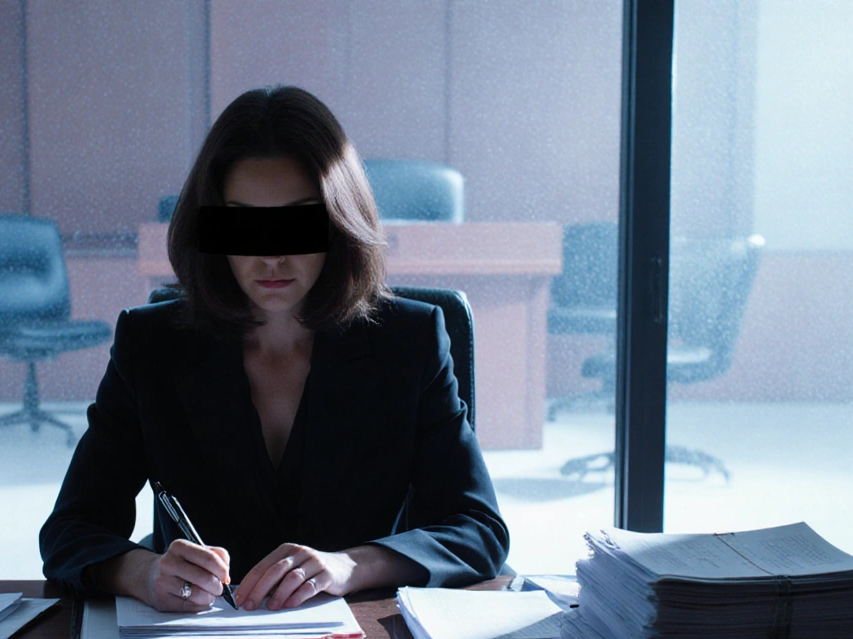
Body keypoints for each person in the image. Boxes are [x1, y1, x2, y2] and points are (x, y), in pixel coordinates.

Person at [39, 85, 507, 612]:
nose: (272, 255)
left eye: (298, 223)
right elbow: (69, 531)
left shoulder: (410, 341)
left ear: (339, 224)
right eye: (244, 227)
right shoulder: (152, 345)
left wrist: (352, 564)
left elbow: (478, 530)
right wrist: (142, 572)